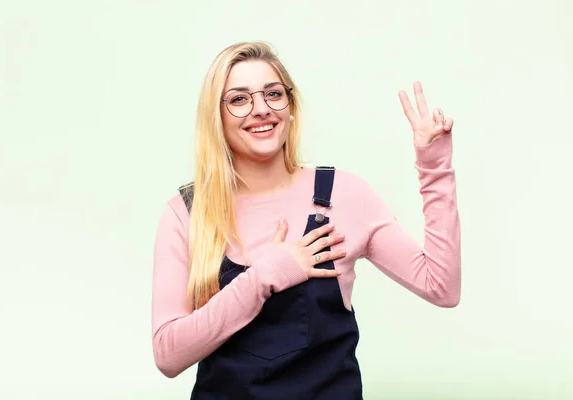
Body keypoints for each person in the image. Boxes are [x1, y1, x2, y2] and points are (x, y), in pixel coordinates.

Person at [151, 41, 461, 399]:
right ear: (216, 117)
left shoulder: (346, 196)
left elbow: (442, 286)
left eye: (273, 94)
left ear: (291, 106)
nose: (261, 109)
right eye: (239, 99)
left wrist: (435, 165)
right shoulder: (186, 213)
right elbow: (168, 355)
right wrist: (264, 277)